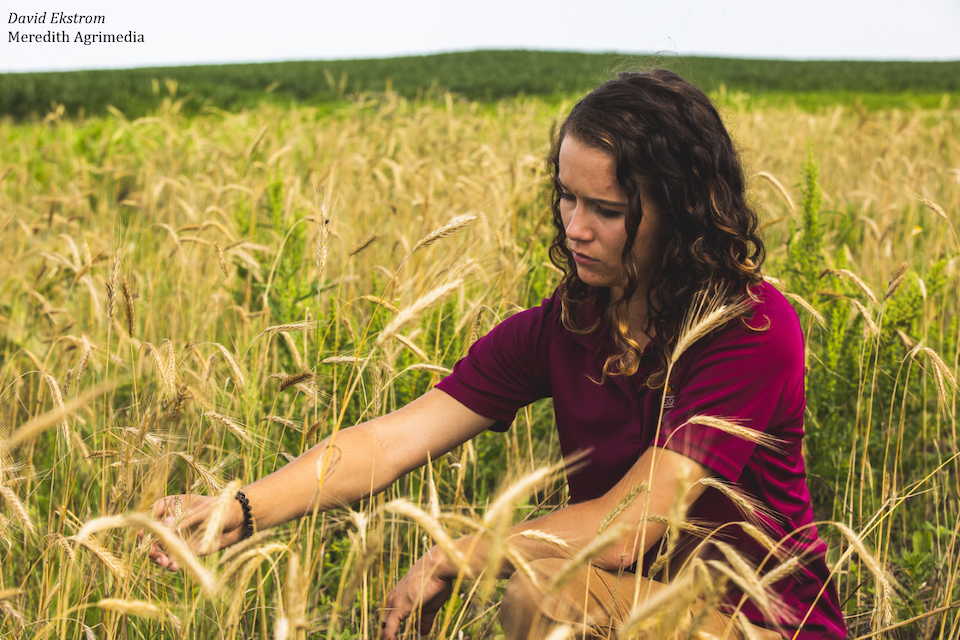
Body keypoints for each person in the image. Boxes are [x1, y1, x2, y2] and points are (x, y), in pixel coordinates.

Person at [149, 69, 847, 640]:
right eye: (566, 198)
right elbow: (390, 442)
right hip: (640, 611)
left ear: (680, 208)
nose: (574, 229)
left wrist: (462, 553)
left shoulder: (748, 330)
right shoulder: (562, 328)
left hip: (764, 628)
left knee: (545, 594)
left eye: (605, 209)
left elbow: (635, 522)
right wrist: (242, 507)